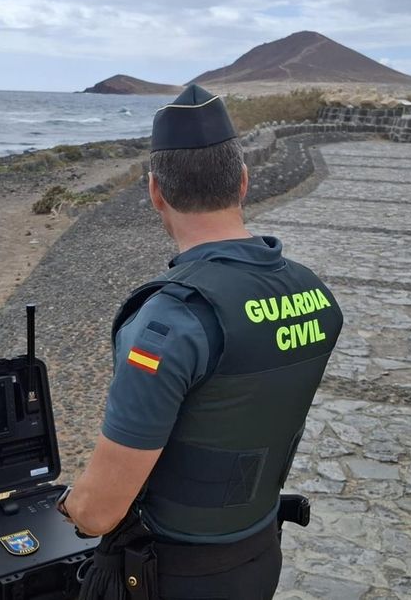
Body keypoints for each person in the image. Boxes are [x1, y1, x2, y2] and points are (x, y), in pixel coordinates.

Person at [58, 84, 344, 599]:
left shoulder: (169, 325)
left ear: (155, 192)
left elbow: (99, 513)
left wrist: (65, 507)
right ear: (243, 181)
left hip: (166, 575)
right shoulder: (316, 296)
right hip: (257, 556)